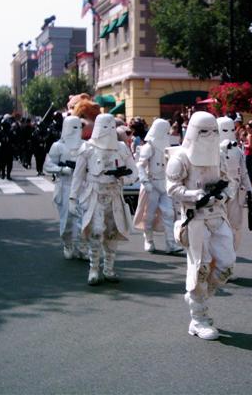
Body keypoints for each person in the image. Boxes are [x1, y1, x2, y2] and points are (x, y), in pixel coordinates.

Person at [166, 112, 235, 341]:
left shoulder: (218, 154)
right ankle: (198, 318)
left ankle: (199, 297)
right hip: (194, 218)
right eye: (205, 131)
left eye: (214, 131)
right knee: (200, 268)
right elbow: (172, 188)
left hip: (218, 216)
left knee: (226, 265)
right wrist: (196, 195)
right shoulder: (181, 158)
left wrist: (223, 195)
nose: (211, 135)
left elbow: (229, 182)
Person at [69, 114, 137, 285]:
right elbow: (78, 175)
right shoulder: (88, 148)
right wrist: (72, 198)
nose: (109, 130)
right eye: (105, 126)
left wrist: (123, 178)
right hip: (95, 194)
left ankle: (108, 268)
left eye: (111, 126)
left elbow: (134, 171)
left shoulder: (121, 148)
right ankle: (93, 269)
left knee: (112, 233)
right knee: (96, 231)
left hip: (114, 194)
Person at [133, 118, 184, 254]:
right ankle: (149, 239)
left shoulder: (167, 146)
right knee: (149, 214)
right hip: (152, 184)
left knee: (169, 213)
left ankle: (170, 243)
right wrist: (145, 182)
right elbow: (140, 165)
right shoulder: (148, 147)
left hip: (165, 184)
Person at [44, 115, 88, 260]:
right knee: (67, 220)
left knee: (84, 219)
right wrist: (62, 169)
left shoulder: (86, 145)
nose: (76, 130)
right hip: (65, 185)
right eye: (73, 127)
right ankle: (68, 244)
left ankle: (82, 246)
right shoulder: (58, 146)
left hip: (82, 186)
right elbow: (48, 165)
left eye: (79, 127)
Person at [217, 116, 252, 264]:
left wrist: (249, 191)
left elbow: (243, 172)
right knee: (217, 226)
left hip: (236, 191)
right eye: (225, 130)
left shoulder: (237, 150)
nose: (228, 133)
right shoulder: (211, 150)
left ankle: (229, 256)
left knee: (235, 226)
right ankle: (219, 256)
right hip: (218, 193)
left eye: (231, 129)